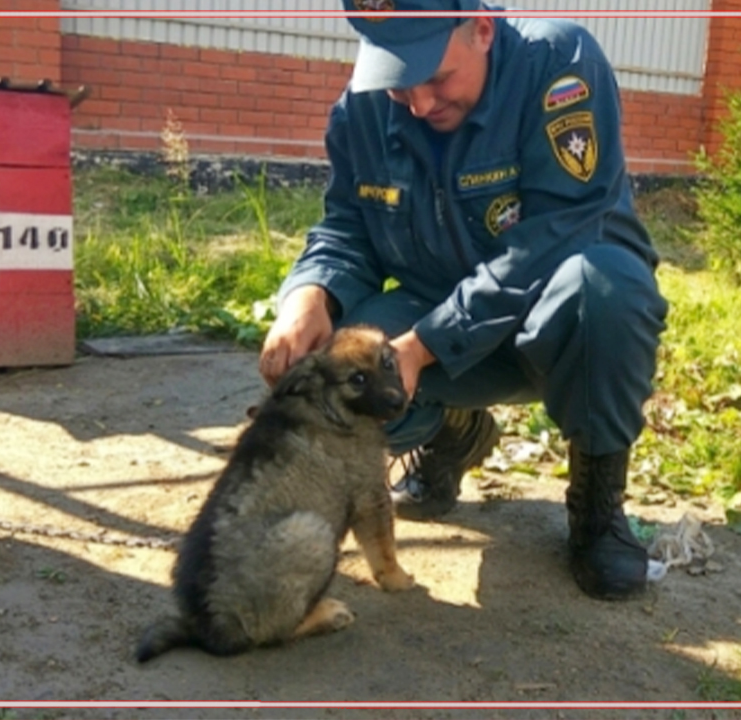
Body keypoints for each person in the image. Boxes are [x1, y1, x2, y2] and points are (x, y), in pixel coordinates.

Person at [258, 0, 668, 600]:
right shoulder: (364, 107)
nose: (419, 103)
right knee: (340, 363)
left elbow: (554, 236)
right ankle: (454, 429)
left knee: (603, 288)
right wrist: (310, 294)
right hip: (441, 320)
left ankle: (598, 506)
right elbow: (346, 226)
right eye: (400, 83)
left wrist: (424, 347)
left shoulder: (557, 67)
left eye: (435, 76)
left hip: (560, 321)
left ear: (480, 27)